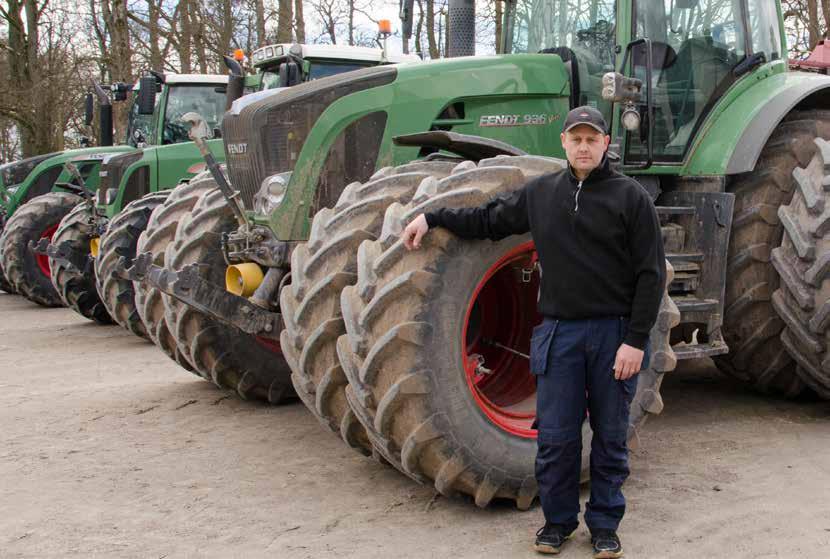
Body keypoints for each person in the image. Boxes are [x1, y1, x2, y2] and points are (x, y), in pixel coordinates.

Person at [401, 106, 665, 558]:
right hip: (558, 335)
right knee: (556, 437)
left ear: (605, 144)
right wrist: (434, 217)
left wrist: (636, 340)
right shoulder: (542, 193)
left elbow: (651, 274)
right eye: (576, 139)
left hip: (612, 335)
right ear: (563, 142)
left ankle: (604, 525)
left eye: (592, 139)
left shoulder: (630, 198)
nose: (584, 146)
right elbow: (488, 219)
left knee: (609, 437)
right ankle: (558, 523)